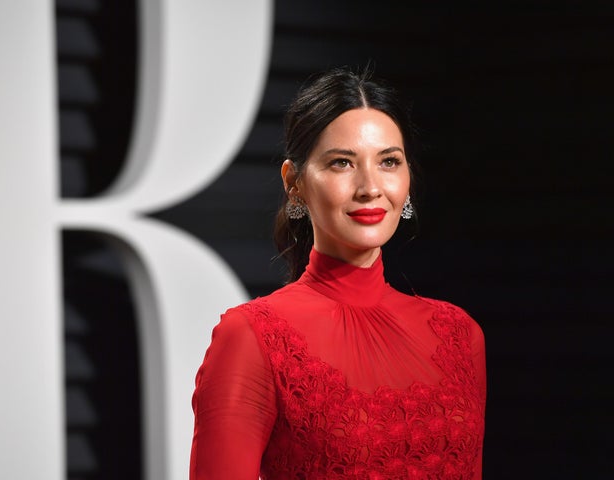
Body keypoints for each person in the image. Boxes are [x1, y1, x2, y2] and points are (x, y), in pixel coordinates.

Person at [189, 67, 486, 480]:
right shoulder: (252, 337)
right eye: (343, 163)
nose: (370, 187)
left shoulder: (459, 334)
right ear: (295, 183)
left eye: (388, 162)